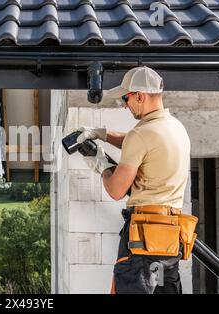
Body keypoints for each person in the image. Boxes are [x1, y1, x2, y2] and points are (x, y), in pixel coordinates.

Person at [77, 66, 191, 294]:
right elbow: (138, 143)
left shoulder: (143, 134)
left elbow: (116, 190)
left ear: (140, 96)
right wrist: (101, 133)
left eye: (125, 99)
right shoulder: (175, 128)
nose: (125, 105)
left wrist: (100, 163)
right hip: (169, 240)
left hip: (142, 242)